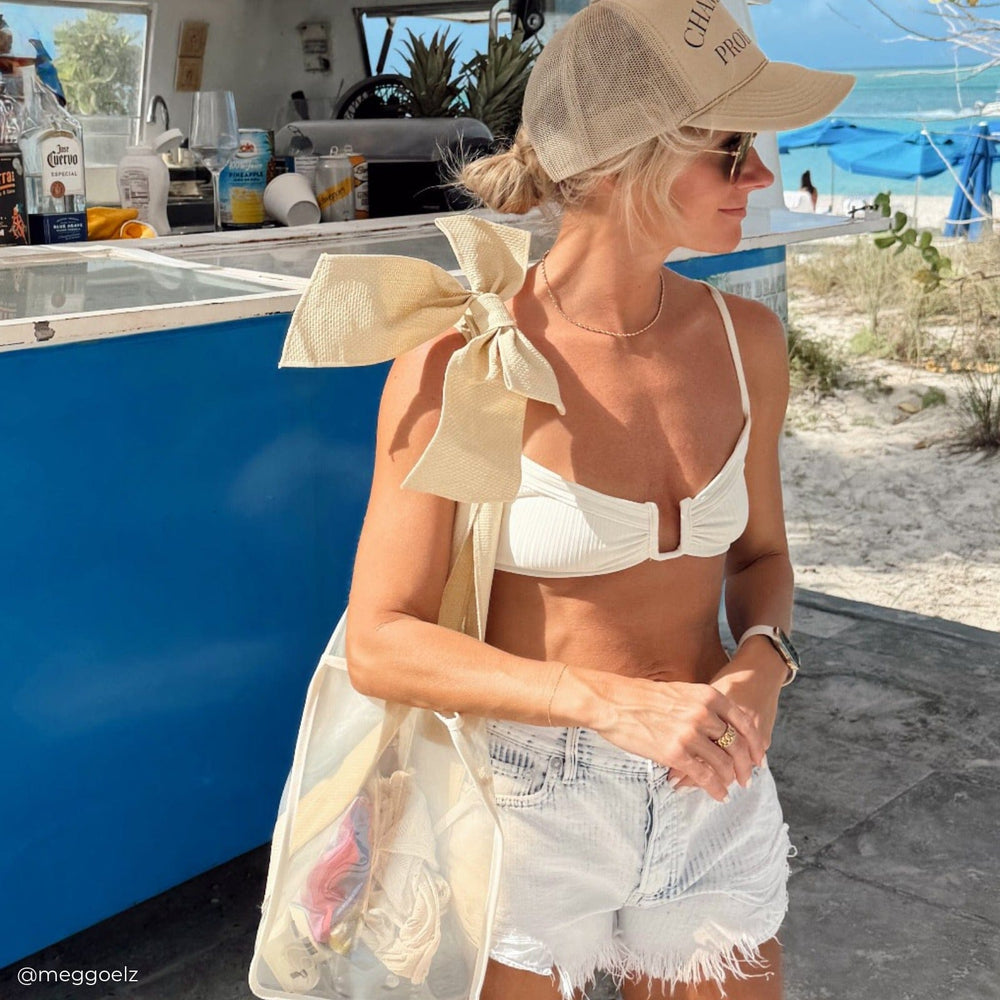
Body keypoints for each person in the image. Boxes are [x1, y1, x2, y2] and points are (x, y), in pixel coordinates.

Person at [321, 2, 853, 998]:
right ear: (620, 161)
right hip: (523, 801)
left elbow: (758, 558)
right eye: (730, 150)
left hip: (713, 782)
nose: (763, 176)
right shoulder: (465, 358)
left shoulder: (747, 343)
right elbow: (381, 637)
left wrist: (762, 663)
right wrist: (608, 704)